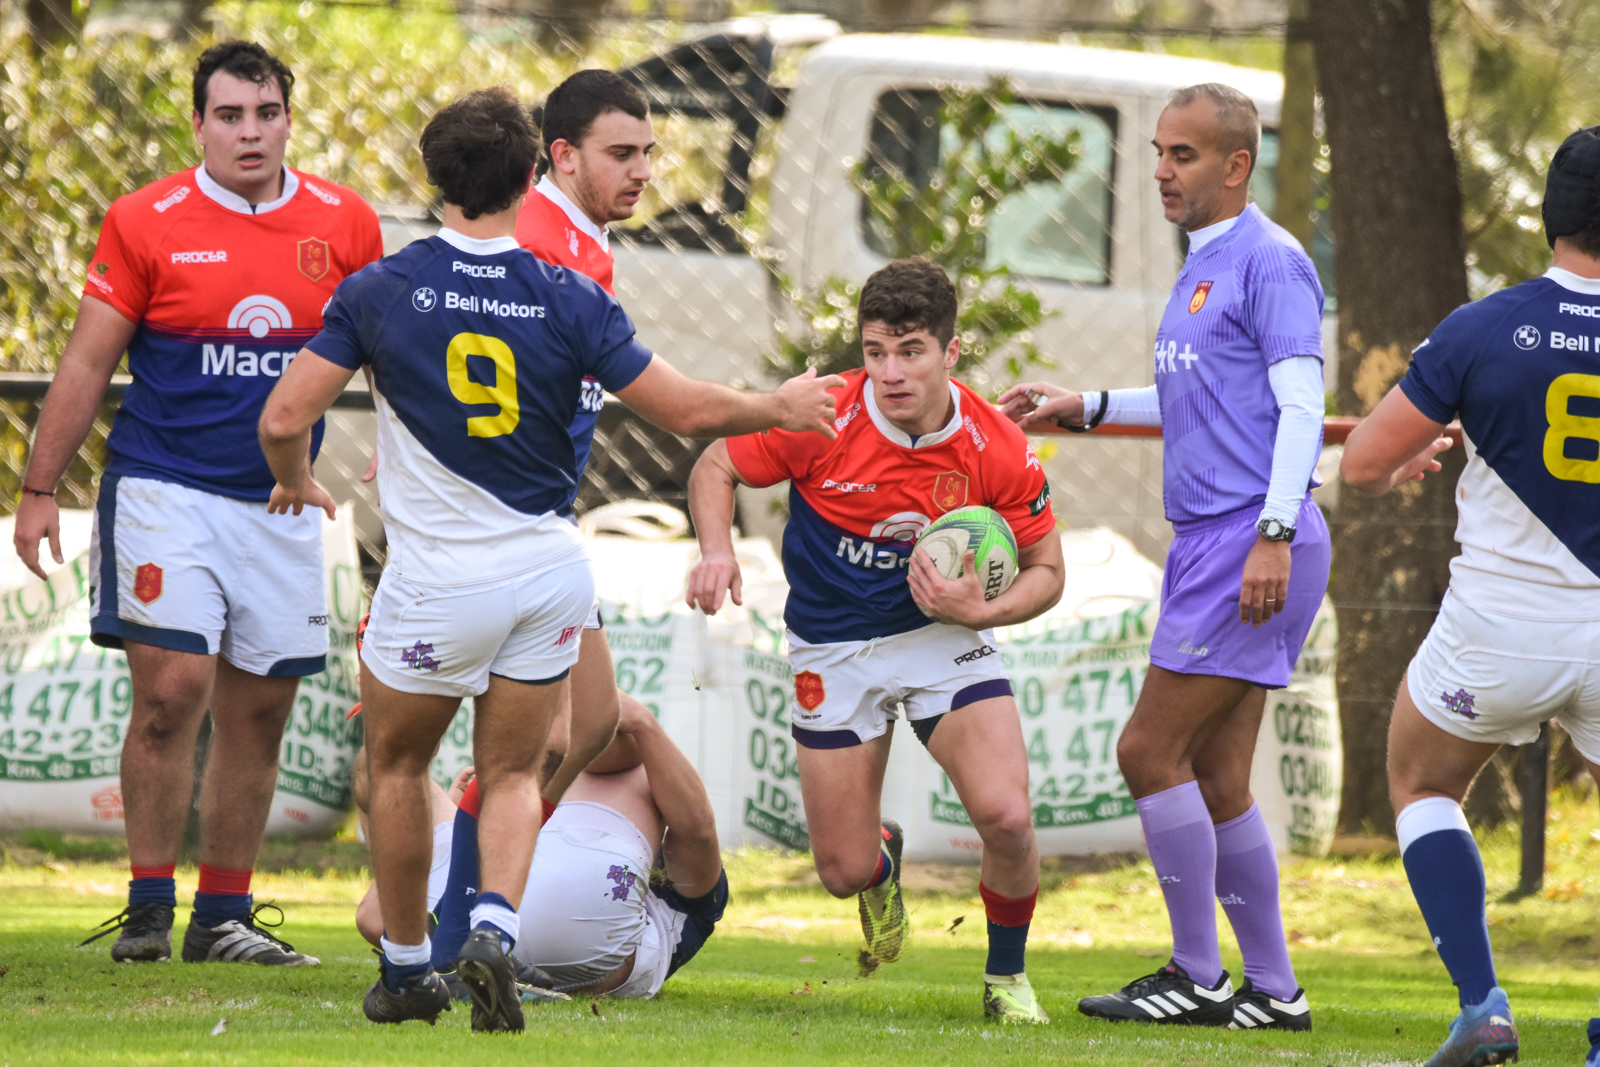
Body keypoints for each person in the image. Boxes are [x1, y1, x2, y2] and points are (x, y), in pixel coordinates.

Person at [257, 86, 839, 1031]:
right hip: (545, 573)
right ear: (534, 176)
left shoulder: (381, 289)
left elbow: (284, 416)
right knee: (524, 767)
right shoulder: (568, 292)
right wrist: (778, 406)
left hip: (436, 579)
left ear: (435, 179)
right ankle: (493, 923)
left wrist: (294, 478)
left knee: (399, 766)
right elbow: (688, 409)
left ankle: (410, 965)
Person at [19, 40, 382, 967]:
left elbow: (389, 364)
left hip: (284, 502)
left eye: (266, 114)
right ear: (199, 125)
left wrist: (405, 470)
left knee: (260, 711)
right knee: (173, 692)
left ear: (289, 120)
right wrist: (37, 487)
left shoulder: (345, 222)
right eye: (230, 116)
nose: (249, 133)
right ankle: (147, 905)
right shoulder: (145, 221)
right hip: (163, 489)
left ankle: (222, 918)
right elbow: (88, 362)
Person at [1002, 82, 1327, 1031]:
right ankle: (1272, 991)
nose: (1158, 171)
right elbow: (1203, 395)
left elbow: (1302, 408)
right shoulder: (1206, 264)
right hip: (1219, 540)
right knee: (1218, 776)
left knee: (1146, 749)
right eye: (1156, 151)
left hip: (1246, 539)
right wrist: (1090, 403)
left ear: (1237, 165)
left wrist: (1271, 531)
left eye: (1181, 155)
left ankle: (1198, 972)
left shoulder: (1271, 261)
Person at [686, 257, 1065, 1024]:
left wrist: (981, 610)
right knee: (842, 869)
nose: (889, 372)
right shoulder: (823, 415)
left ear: (950, 353)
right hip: (831, 647)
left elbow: (1048, 570)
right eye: (874, 351)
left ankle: (1006, 979)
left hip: (940, 636)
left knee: (1010, 818)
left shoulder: (994, 444)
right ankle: (880, 857)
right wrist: (717, 549)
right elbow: (716, 462)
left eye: (911, 350)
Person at [1340, 127, 1600, 1067]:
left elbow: (1364, 464)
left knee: (1418, 782)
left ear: (1549, 217)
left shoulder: (1486, 325)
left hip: (1501, 625)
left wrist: (1417, 449)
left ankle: (1482, 1005)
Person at [426, 71, 659, 977]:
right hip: (496, 529)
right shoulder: (542, 242)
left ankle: (477, 905)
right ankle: (454, 927)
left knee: (593, 720)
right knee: (525, 740)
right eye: (621, 154)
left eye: (646, 152)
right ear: (561, 157)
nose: (642, 171)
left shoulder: (583, 240)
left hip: (543, 520)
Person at [359, 695, 726, 1003]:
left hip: (491, 892)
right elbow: (700, 829)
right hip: (550, 896)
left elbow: (699, 829)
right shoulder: (647, 810)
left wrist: (639, 722)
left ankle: (401, 704)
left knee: (379, 772)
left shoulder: (680, 890)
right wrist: (642, 724)